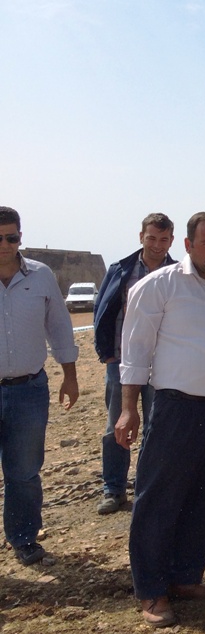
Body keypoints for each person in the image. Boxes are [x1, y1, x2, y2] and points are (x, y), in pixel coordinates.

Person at [116, 211, 205, 627]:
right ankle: (152, 590)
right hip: (177, 409)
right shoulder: (158, 286)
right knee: (160, 498)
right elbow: (135, 352)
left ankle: (186, 576)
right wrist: (127, 408)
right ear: (189, 245)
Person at [0, 207, 78, 565]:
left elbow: (59, 327)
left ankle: (24, 538)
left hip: (28, 391)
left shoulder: (41, 276)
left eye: (11, 237)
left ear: (20, 237)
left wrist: (70, 376)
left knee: (24, 472)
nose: (4, 244)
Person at [93, 213, 175, 515]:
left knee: (156, 428)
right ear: (141, 236)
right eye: (151, 238)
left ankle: (146, 487)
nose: (157, 245)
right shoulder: (121, 270)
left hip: (161, 366)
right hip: (121, 363)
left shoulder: (177, 274)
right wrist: (107, 353)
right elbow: (102, 309)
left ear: (172, 241)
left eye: (163, 239)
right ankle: (113, 489)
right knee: (117, 425)